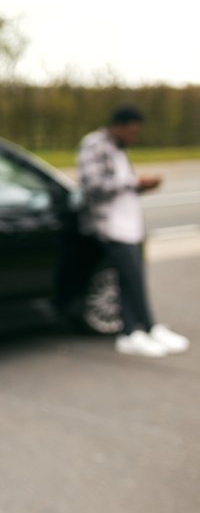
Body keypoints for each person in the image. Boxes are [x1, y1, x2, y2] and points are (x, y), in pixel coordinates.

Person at [76, 104, 189, 357]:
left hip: (130, 226)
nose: (134, 136)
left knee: (131, 278)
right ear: (119, 126)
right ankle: (137, 329)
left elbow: (121, 186)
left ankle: (140, 329)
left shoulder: (119, 148)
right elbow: (92, 185)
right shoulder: (95, 144)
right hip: (110, 226)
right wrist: (134, 181)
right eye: (132, 130)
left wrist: (140, 187)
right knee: (130, 278)